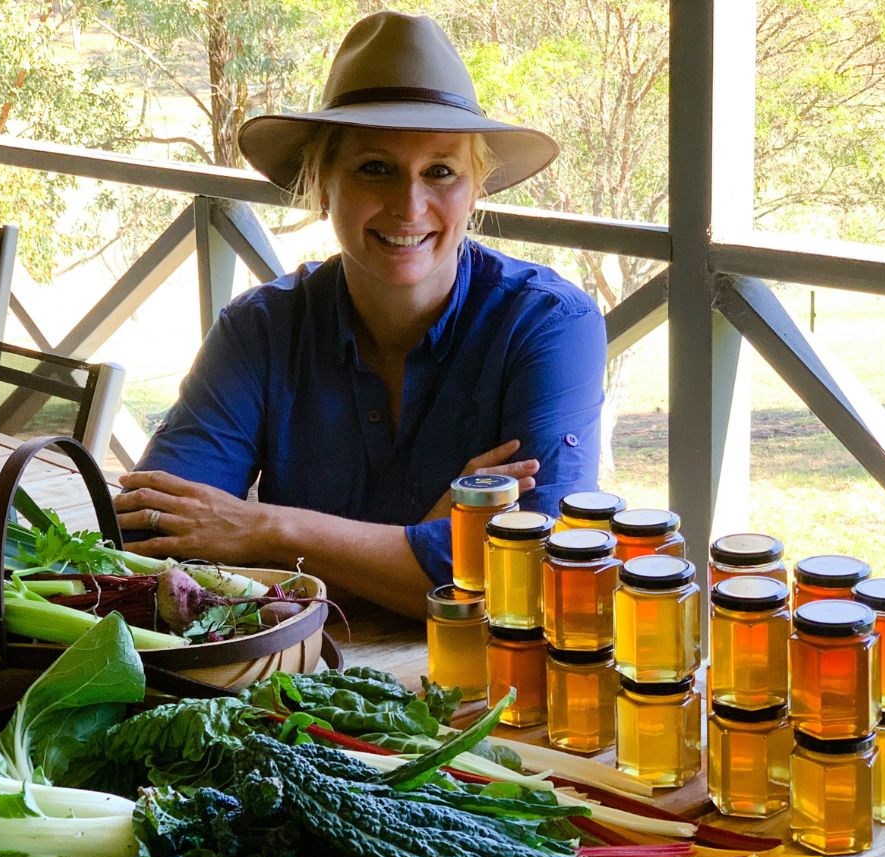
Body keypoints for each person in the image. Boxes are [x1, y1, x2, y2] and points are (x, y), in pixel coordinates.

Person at [113, 11, 606, 619]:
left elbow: (537, 572)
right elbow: (149, 542)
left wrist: (265, 530)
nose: (409, 205)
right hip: (297, 690)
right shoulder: (259, 330)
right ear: (322, 184)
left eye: (441, 171)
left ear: (475, 188)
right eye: (375, 167)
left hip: (495, 692)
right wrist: (430, 546)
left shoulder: (549, 326)